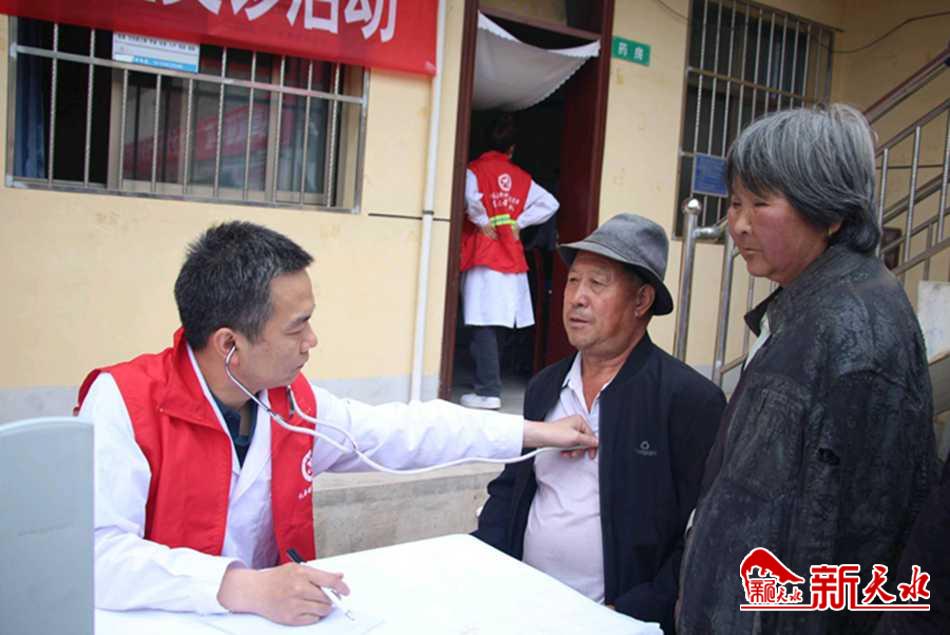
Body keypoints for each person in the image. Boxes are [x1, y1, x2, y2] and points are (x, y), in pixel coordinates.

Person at [76, 221, 598, 626]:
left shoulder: (290, 406)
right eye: (297, 327)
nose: (312, 341)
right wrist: (242, 586)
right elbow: (97, 554)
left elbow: (403, 431)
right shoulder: (125, 402)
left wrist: (531, 433)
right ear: (229, 344)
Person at [676, 104, 938, 634]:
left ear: (830, 214)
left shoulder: (853, 334)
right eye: (735, 203)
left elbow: (850, 542)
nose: (738, 224)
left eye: (760, 203)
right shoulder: (810, 306)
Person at [474, 213, 726, 633]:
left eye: (597, 283)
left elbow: (706, 534)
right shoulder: (546, 386)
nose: (577, 297)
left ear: (641, 301)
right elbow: (510, 488)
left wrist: (635, 611)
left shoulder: (689, 400)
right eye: (573, 281)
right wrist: (484, 564)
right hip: (524, 608)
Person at [459, 113, 559, 410]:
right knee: (500, 321)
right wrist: (520, 222)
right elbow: (551, 203)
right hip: (511, 255)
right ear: (512, 149)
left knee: (482, 322)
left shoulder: (473, 170)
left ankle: (488, 390)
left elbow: (470, 199)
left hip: (484, 254)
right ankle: (490, 384)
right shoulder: (522, 178)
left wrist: (480, 220)